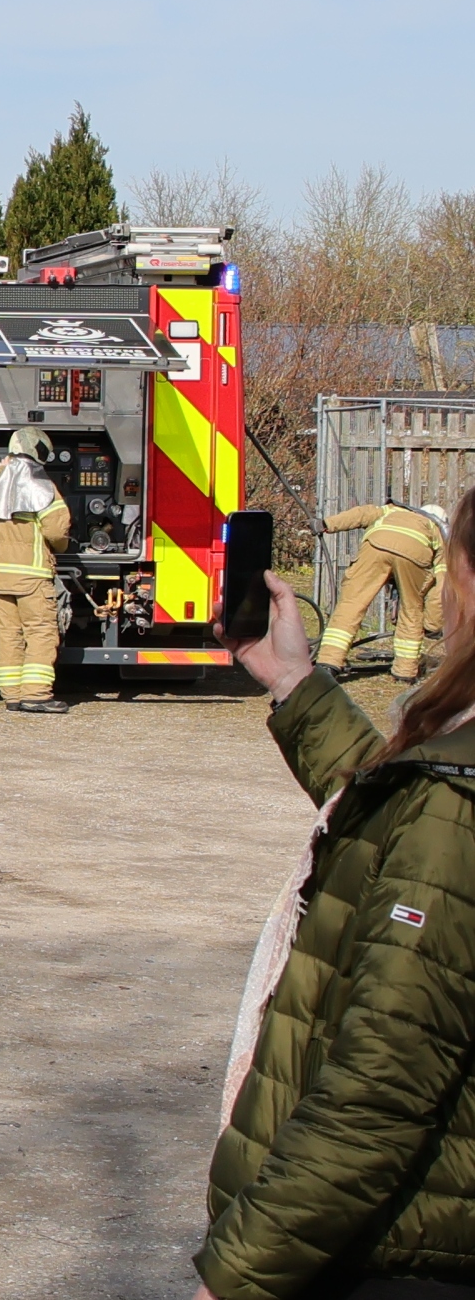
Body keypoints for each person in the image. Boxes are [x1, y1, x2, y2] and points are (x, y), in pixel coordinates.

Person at [200, 485, 475, 1300]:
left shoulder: (456, 807)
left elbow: (375, 1097)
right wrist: (294, 680)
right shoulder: (446, 796)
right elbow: (399, 825)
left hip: (395, 1259)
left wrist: (234, 1279)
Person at [0, 427, 72, 714]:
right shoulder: (41, 485)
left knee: (9, 635)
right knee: (41, 632)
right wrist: (62, 546)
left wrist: (0, 470)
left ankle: (13, 695)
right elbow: (56, 530)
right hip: (31, 575)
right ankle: (37, 694)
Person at [318, 502, 449, 681]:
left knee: (351, 603)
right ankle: (404, 672)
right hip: (415, 556)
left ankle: (328, 663)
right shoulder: (436, 532)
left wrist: (327, 524)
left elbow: (361, 514)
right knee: (411, 611)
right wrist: (432, 625)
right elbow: (441, 586)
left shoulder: (391, 510)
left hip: (376, 545)